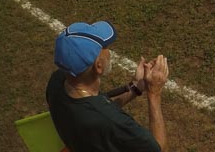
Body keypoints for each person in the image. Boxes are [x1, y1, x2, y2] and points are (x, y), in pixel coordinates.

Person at [47, 21, 169, 152]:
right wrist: (154, 92)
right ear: (98, 66)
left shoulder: (56, 81)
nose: (109, 52)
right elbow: (159, 149)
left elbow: (98, 107)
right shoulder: (113, 123)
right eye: (105, 47)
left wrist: (136, 86)